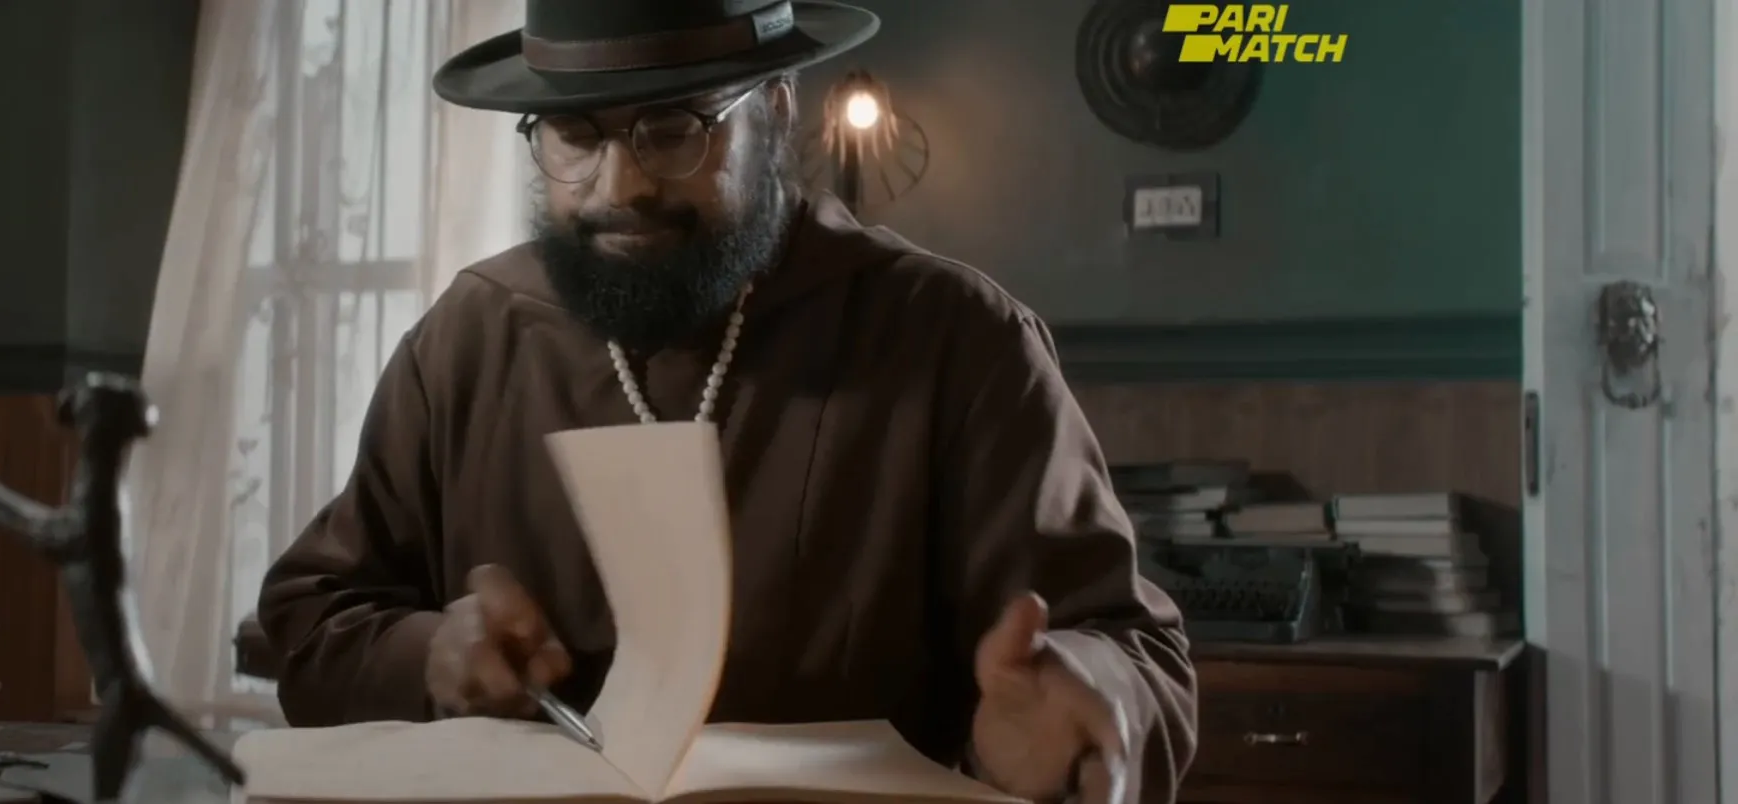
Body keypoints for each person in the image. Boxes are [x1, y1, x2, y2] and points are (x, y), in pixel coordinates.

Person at [255, 1, 1197, 801]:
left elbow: (1136, 654)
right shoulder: (469, 337)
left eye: (673, 128)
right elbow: (313, 619)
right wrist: (428, 654)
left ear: (775, 110)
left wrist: (1087, 698)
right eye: (575, 134)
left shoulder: (956, 339)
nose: (619, 187)